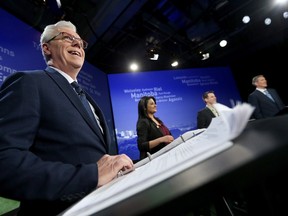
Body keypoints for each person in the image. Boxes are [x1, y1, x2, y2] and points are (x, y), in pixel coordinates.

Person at [0, 20, 134, 216]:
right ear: (46, 48)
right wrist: (90, 175)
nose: (77, 44)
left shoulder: (87, 99)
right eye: (67, 38)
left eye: (80, 41)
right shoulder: (28, 82)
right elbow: (5, 163)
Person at [136, 96, 174, 160]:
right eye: (152, 104)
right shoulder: (143, 122)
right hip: (156, 160)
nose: (155, 105)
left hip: (167, 156)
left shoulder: (158, 120)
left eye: (155, 103)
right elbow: (141, 146)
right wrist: (161, 139)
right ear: (144, 107)